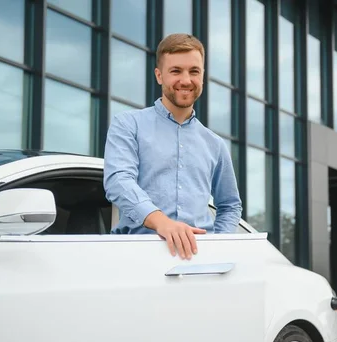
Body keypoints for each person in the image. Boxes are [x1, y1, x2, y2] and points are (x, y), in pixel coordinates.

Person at [103, 33, 242, 260]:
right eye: (176, 71)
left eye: (194, 71)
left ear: (203, 77)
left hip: (199, 260)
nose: (186, 80)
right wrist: (162, 223)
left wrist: (219, 244)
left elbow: (230, 205)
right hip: (135, 257)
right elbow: (118, 181)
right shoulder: (128, 124)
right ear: (159, 75)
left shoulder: (215, 144)